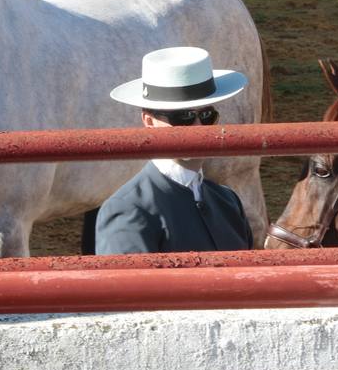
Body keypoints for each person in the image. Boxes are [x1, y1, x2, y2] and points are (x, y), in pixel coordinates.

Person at [94, 47, 255, 254]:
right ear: (149, 121)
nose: (198, 128)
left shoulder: (229, 201)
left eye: (206, 115)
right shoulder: (128, 210)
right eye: (183, 117)